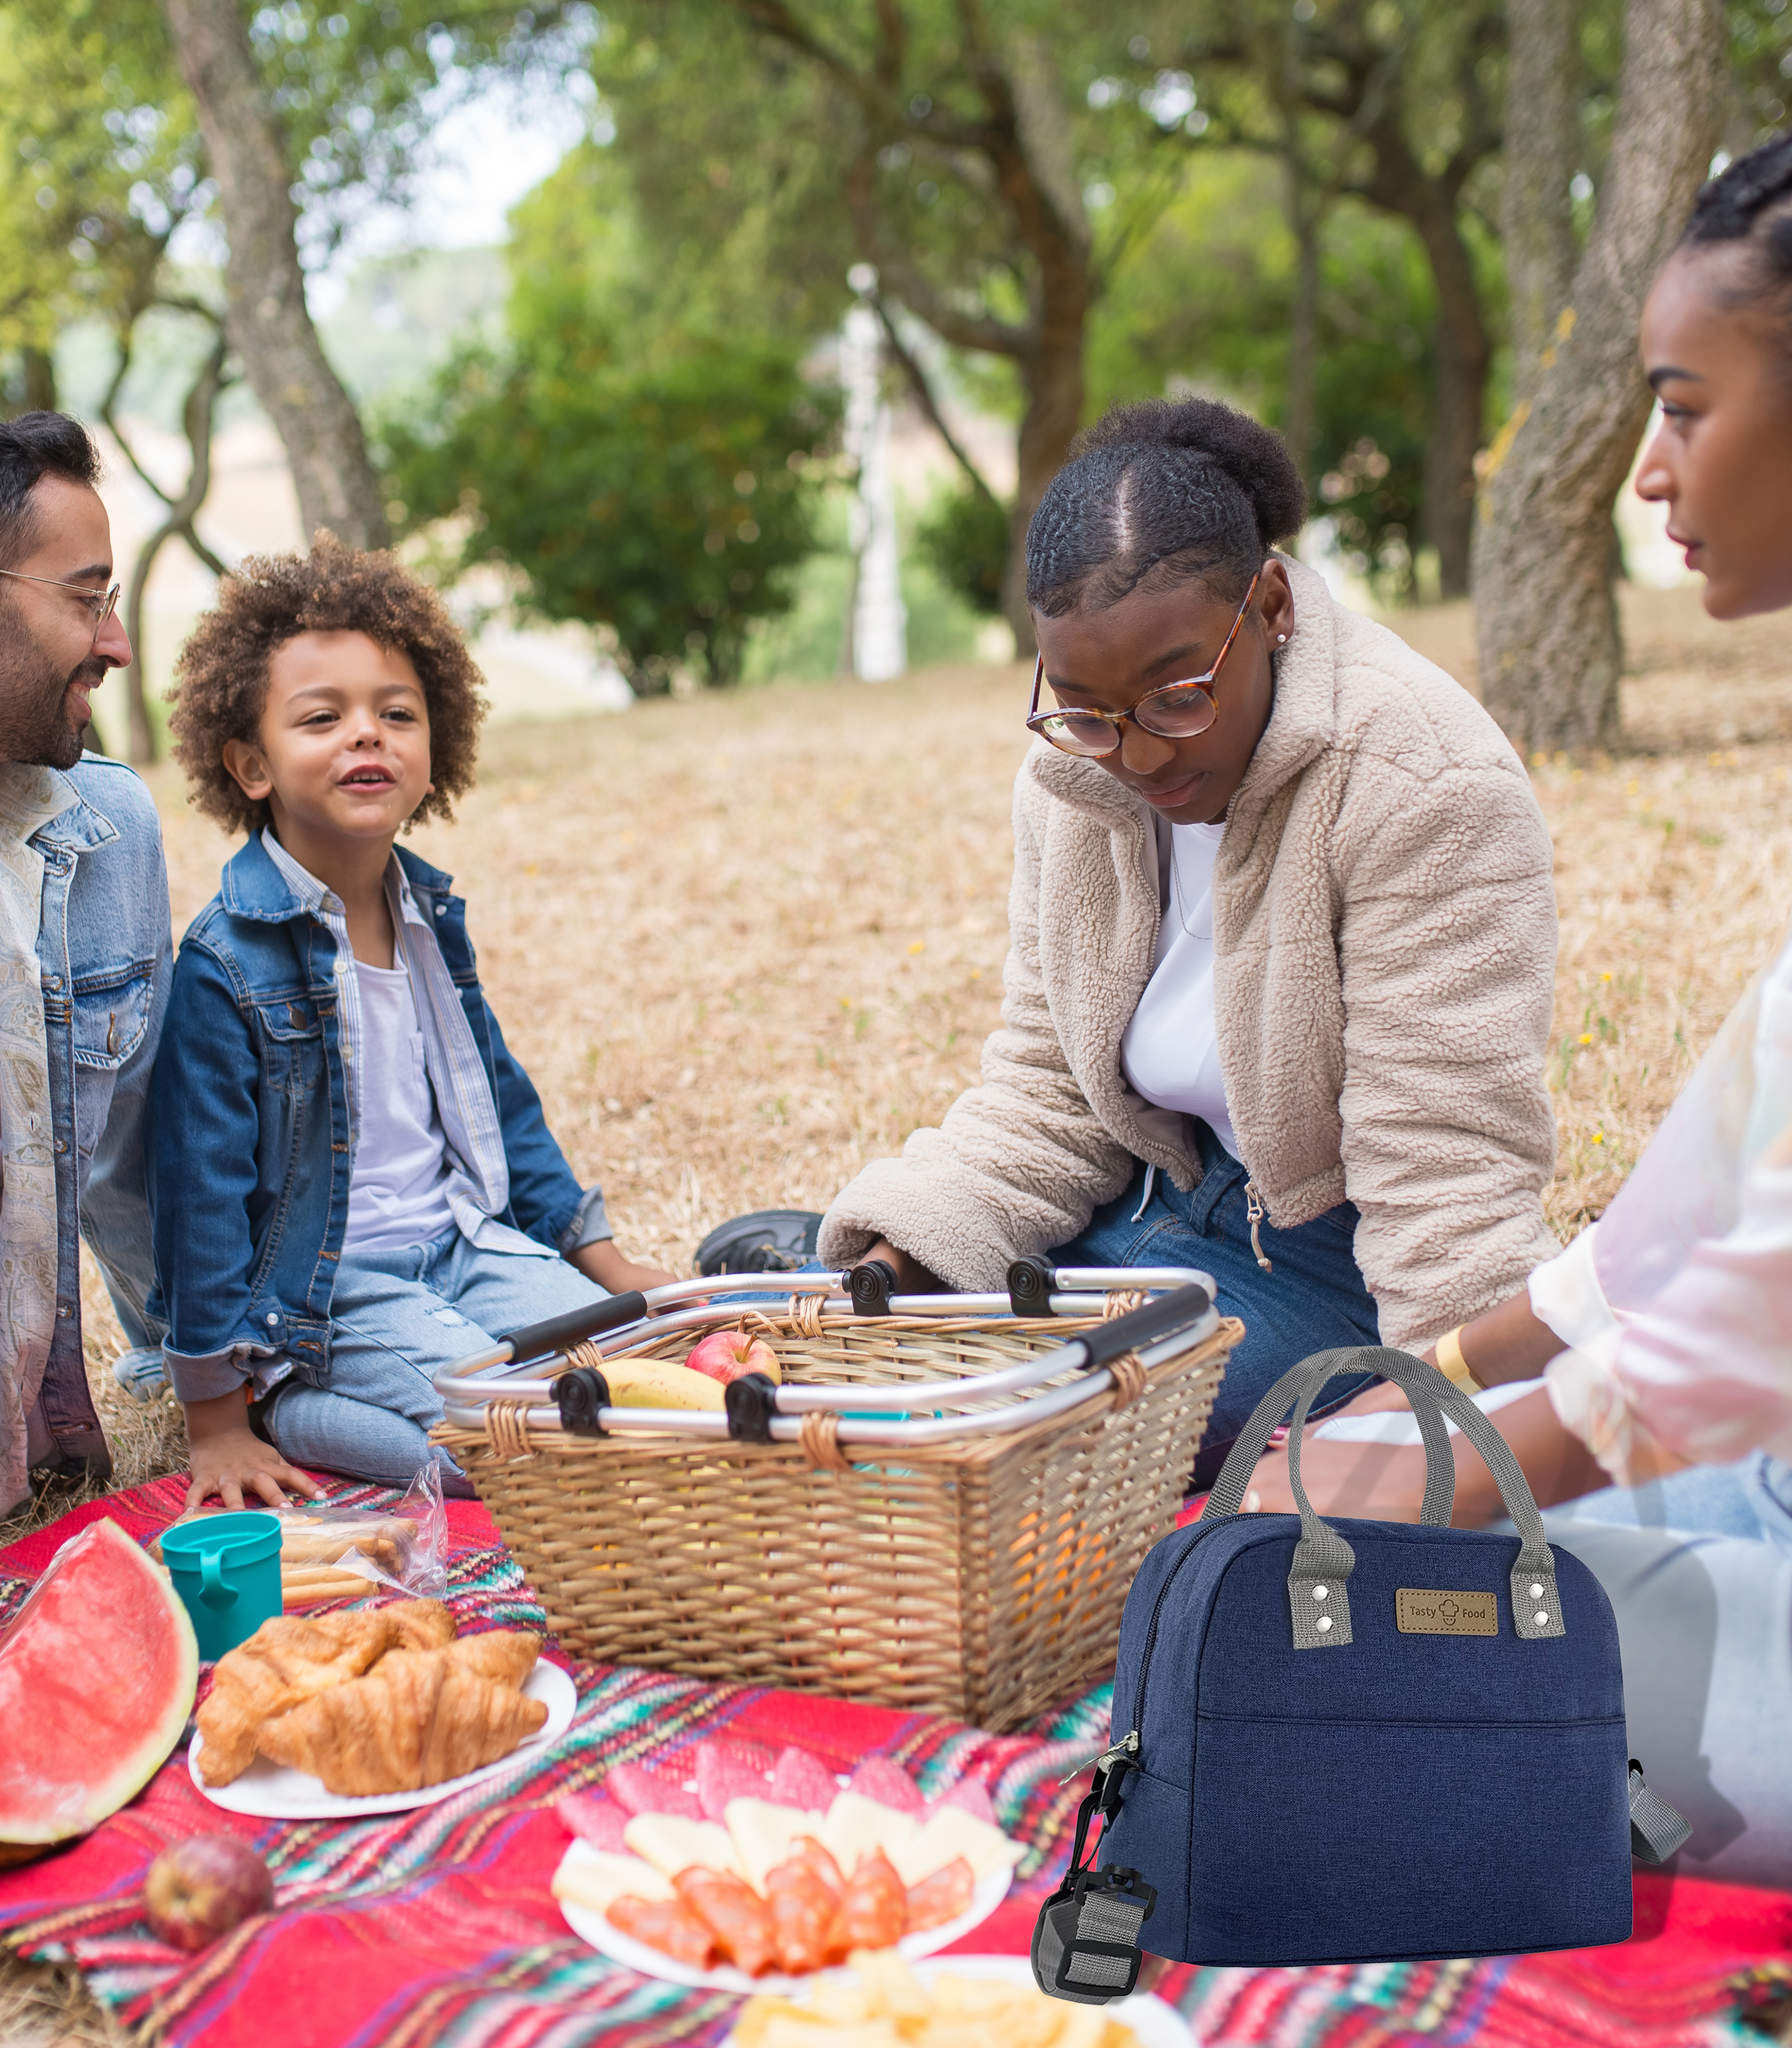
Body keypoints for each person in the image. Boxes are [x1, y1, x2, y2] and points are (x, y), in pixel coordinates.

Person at [1248, 136, 1792, 1889]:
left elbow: (1755, 1325)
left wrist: (1455, 1468)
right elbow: (1697, 1215)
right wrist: (1440, 1385)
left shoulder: (1410, 773)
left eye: (1685, 408)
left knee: (1346, 1665)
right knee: (1316, 1598)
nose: (1647, 472)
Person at [814, 397, 1563, 1477]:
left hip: (1333, 1263)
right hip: (1150, 1198)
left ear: (1268, 605)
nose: (1135, 755)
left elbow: (1441, 1182)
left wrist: (1456, 1441)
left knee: (1042, 1431)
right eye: (1083, 708)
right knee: (846, 1347)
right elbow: (1047, 1096)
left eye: (1178, 694)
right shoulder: (1073, 778)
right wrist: (901, 1263)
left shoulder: (1423, 784)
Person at [149, 536, 677, 1509]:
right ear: (250, 764)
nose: (368, 736)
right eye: (323, 718)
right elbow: (199, 1194)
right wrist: (213, 1418)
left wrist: (600, 1263)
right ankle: (289, 1407)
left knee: (646, 1374)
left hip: (464, 1243)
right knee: (526, 1436)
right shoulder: (227, 963)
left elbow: (505, 1104)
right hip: (332, 1285)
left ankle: (403, 1401)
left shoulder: (429, 917)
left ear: (436, 752)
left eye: (397, 714)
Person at [0, 411, 173, 1518]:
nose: (114, 645)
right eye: (84, 597)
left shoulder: (105, 831)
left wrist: (204, 1366)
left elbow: (135, 1171)